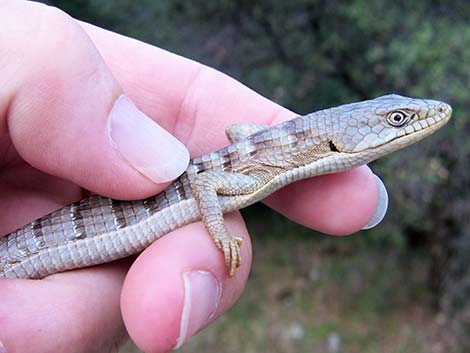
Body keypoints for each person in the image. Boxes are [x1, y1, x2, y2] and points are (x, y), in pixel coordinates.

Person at [0, 2, 387, 352]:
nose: (402, 126)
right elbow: (204, 182)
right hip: (30, 248)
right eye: (394, 121)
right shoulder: (254, 177)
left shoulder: (269, 166)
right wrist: (218, 233)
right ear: (337, 142)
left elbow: (237, 131)